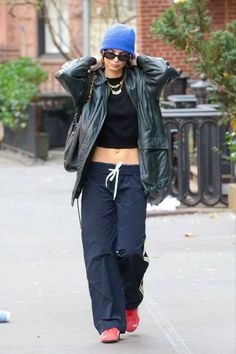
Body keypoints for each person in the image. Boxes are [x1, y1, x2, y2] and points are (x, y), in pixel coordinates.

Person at [56, 23, 179, 344]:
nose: (114, 59)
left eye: (121, 55)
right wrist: (92, 62)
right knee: (98, 251)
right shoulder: (89, 84)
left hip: (133, 175)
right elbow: (65, 73)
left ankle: (130, 302)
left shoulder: (143, 82)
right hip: (96, 175)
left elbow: (167, 71)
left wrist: (138, 59)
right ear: (101, 53)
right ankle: (108, 321)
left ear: (129, 57)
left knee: (129, 249)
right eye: (108, 53)